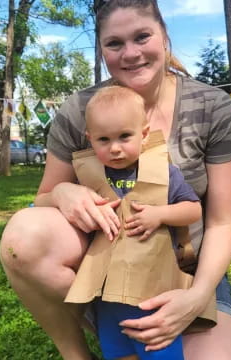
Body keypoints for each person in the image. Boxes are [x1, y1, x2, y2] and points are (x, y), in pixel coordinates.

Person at [0, 0, 231, 359]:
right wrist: (64, 192)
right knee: (22, 237)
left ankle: (160, 317)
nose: (130, 53)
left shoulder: (213, 107)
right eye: (114, 43)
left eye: (142, 37)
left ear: (164, 38)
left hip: (186, 272)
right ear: (102, 51)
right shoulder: (80, 110)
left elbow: (223, 220)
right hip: (106, 266)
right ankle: (80, 349)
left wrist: (195, 297)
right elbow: (45, 197)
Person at [69, 85, 203, 360]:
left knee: (158, 348)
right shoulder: (88, 177)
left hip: (152, 288)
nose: (115, 148)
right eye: (103, 140)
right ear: (89, 139)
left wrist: (160, 214)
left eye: (124, 137)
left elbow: (193, 210)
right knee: (116, 349)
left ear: (143, 135)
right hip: (106, 293)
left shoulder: (164, 173)